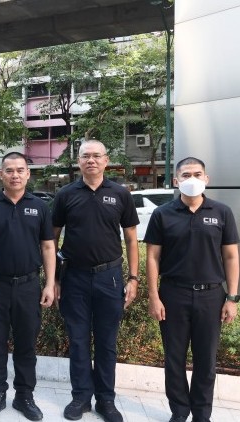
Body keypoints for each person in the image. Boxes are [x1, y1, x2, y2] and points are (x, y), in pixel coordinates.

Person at [145, 157, 240, 422]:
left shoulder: (221, 212)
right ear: (176, 181)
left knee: (206, 361)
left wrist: (232, 297)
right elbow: (152, 257)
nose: (192, 179)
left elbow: (231, 256)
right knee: (173, 358)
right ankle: (179, 411)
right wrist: (153, 296)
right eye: (186, 175)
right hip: (173, 295)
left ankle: (201, 414)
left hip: (212, 295)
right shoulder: (162, 214)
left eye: (197, 174)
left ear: (206, 179)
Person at [51, 140, 139, 422]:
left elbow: (131, 239)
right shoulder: (65, 194)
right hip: (74, 276)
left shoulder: (120, 194)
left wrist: (133, 278)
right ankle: (80, 398)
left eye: (96, 156)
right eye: (85, 156)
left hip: (109, 277)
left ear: (106, 160)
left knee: (106, 342)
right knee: (78, 341)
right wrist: (54, 279)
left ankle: (106, 400)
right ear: (78, 161)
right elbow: (52, 239)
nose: (91, 160)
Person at [0, 151, 56, 421]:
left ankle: (24, 396)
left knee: (26, 344)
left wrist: (49, 284)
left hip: (29, 286)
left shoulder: (40, 207)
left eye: (20, 170)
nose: (15, 175)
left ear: (28, 174)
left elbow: (48, 247)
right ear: (1, 174)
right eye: (9, 170)